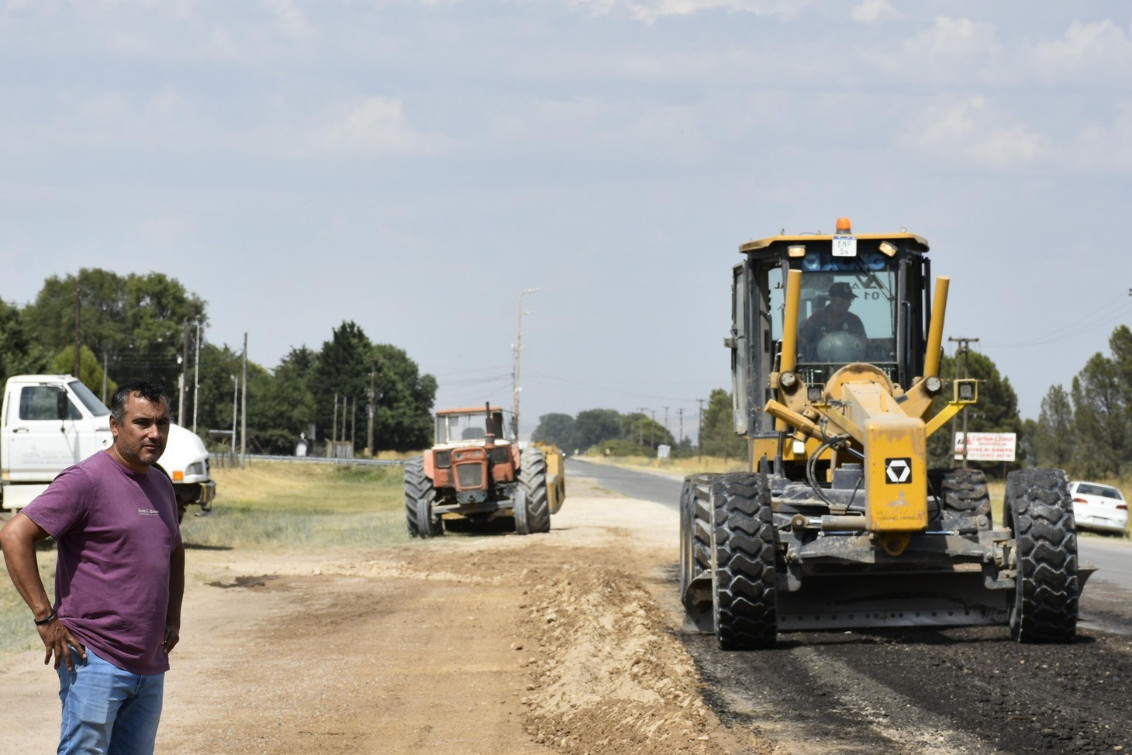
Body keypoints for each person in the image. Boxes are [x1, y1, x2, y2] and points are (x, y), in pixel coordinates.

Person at [0, 380, 185, 754]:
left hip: (148, 662)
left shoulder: (161, 484)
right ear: (115, 426)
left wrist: (173, 618)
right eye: (142, 423)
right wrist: (44, 617)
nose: (154, 433)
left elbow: (174, 551)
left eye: (162, 423)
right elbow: (14, 535)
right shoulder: (86, 480)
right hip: (94, 658)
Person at [798, 281, 867, 358]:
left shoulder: (854, 321)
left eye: (849, 300)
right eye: (843, 299)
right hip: (819, 367)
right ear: (832, 299)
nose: (848, 303)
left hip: (849, 367)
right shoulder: (815, 319)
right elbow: (802, 346)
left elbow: (863, 345)